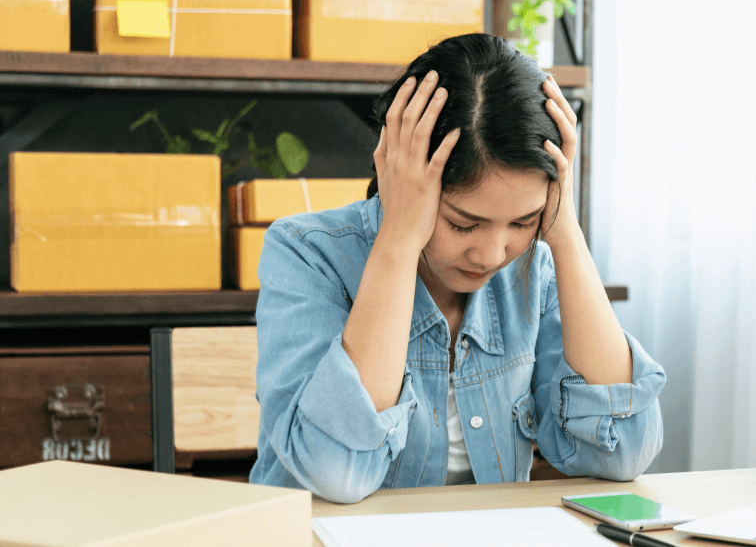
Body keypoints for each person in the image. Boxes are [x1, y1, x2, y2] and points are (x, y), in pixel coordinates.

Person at [249, 33, 666, 503]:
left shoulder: (537, 269)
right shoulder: (306, 253)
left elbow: (623, 453)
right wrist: (399, 241)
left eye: (522, 221)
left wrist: (564, 234)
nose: (491, 254)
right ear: (401, 170)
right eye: (464, 224)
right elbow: (336, 473)